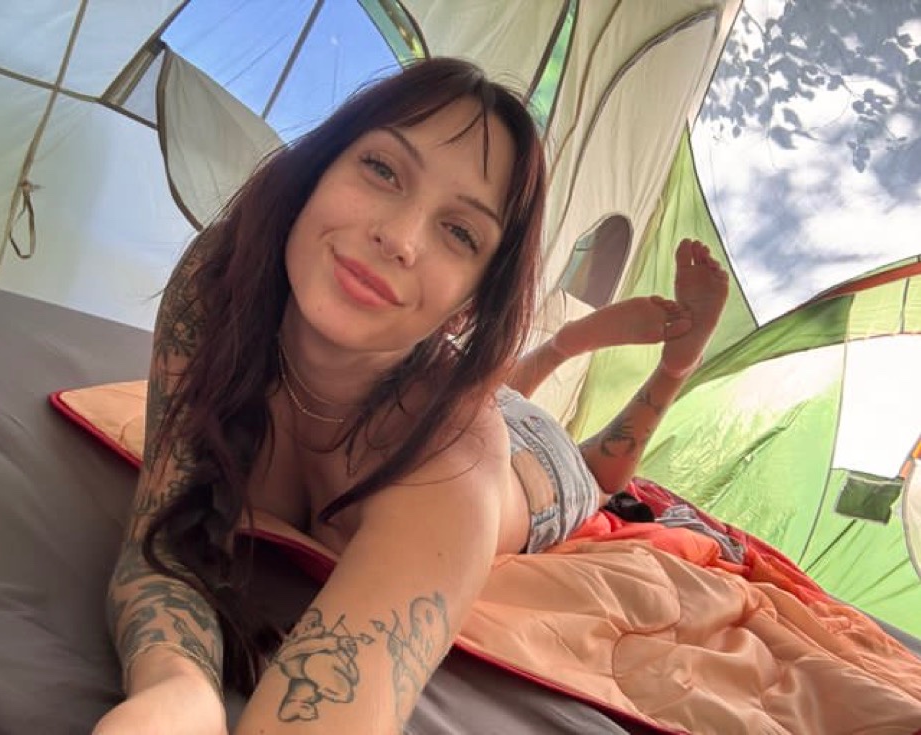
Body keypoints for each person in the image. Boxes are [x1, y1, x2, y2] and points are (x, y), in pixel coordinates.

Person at [94, 57, 727, 735]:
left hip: (523, 461)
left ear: (467, 307)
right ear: (317, 169)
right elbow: (161, 540)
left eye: (459, 232)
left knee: (589, 470)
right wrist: (176, 690)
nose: (397, 238)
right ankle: (551, 352)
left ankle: (655, 367)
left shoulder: (457, 461)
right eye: (382, 169)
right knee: (488, 398)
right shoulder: (221, 281)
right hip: (443, 382)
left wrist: (663, 376)